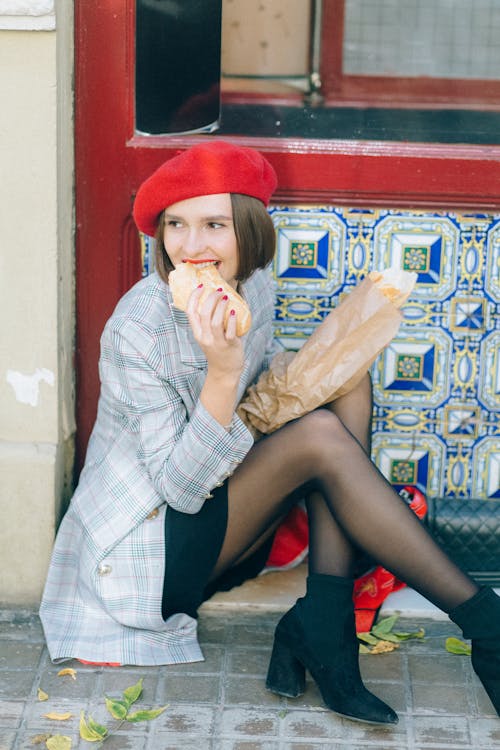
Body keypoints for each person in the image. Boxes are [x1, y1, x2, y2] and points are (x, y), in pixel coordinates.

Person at [40, 140, 500, 725]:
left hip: (222, 510)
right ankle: (485, 626)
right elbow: (179, 490)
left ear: (250, 233)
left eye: (214, 225)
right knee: (321, 440)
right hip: (149, 549)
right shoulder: (138, 331)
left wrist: (293, 376)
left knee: (346, 384)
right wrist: (222, 369)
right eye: (176, 225)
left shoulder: (253, 284)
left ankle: (323, 622)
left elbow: (265, 390)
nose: (192, 246)